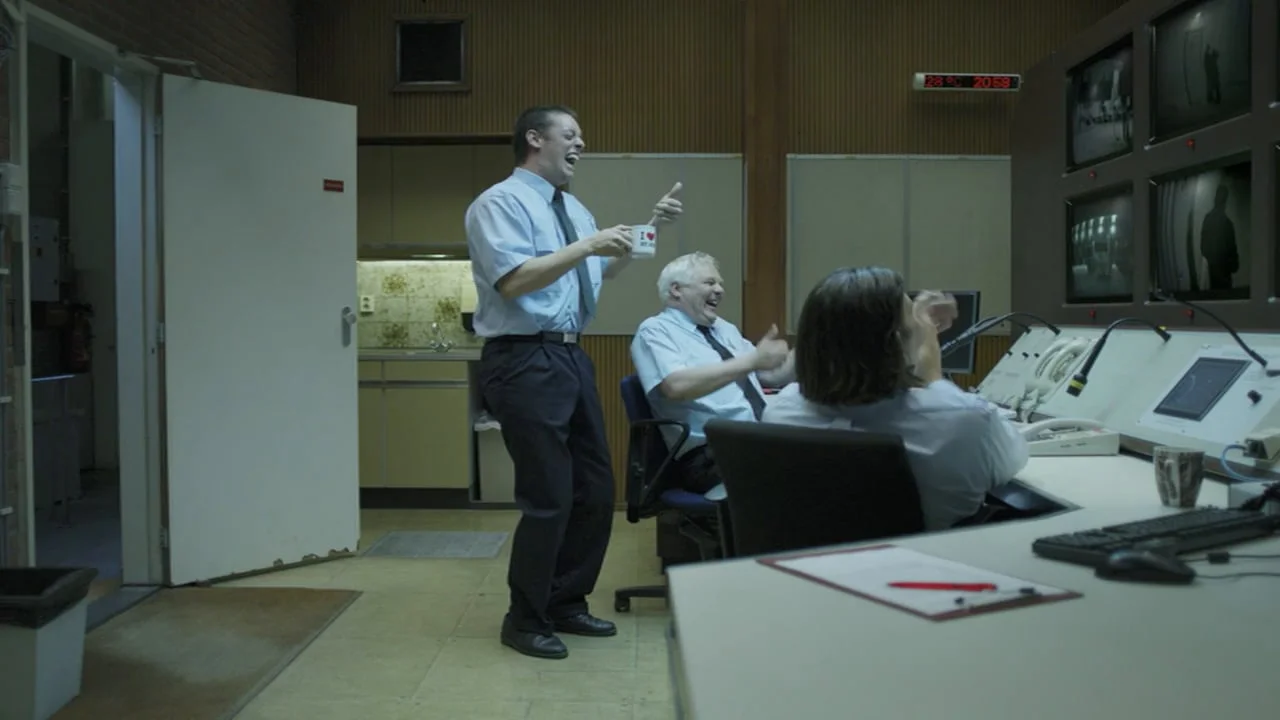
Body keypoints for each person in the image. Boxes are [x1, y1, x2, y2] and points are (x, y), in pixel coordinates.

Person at [465, 105, 683, 660]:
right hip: (522, 358)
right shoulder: (500, 203)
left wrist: (651, 225)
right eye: (571, 134)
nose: (581, 143)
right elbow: (514, 280)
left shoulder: (575, 211)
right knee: (550, 496)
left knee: (595, 490)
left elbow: (598, 268)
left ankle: (565, 601)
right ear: (535, 139)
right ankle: (524, 619)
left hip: (569, 355)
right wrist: (588, 245)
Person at [762, 266, 1028, 530]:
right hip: (928, 558)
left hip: (811, 557)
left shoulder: (781, 414)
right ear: (898, 346)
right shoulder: (964, 420)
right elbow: (1012, 460)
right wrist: (931, 371)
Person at [630, 252, 792, 493]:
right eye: (709, 282)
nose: (719, 290)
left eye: (720, 284)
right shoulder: (655, 330)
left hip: (756, 438)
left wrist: (813, 348)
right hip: (709, 453)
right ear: (676, 289)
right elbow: (676, 387)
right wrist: (752, 360)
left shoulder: (725, 329)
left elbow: (767, 376)